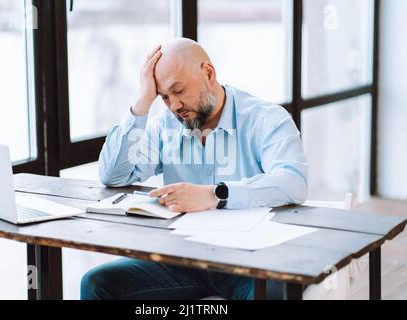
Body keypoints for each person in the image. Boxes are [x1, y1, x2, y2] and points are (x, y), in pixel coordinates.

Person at [81, 38, 308, 300]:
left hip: (250, 261)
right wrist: (142, 102)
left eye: (179, 91)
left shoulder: (266, 119)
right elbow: (114, 175)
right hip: (183, 257)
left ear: (208, 73)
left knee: (272, 294)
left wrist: (214, 195)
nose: (174, 105)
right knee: (98, 284)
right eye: (164, 96)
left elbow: (293, 182)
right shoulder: (165, 124)